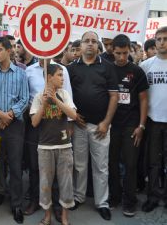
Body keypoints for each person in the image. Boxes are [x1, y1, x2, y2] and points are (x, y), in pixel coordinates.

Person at [67, 31, 118, 221]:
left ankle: (102, 203)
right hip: (79, 125)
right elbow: (66, 97)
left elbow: (114, 96)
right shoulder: (71, 69)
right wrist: (72, 119)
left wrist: (106, 122)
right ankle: (78, 196)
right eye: (86, 41)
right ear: (80, 45)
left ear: (98, 46)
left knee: (101, 167)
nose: (90, 44)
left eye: (93, 41)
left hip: (100, 127)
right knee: (79, 165)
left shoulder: (108, 67)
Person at [0, 36, 29, 224]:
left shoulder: (20, 74)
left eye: (0, 49)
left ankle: (17, 205)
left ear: (9, 51)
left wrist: (8, 116)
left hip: (14, 125)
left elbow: (24, 99)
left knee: (15, 165)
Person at [24, 59, 72, 220]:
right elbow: (35, 122)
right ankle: (47, 216)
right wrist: (44, 103)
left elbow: (73, 115)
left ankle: (64, 216)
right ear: (49, 77)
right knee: (45, 184)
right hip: (45, 147)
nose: (62, 78)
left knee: (65, 182)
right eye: (59, 75)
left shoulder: (64, 94)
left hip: (64, 146)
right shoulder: (39, 97)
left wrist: (56, 100)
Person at [108, 34, 148, 217]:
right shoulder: (107, 70)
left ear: (130, 51)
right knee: (112, 163)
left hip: (132, 125)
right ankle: (115, 197)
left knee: (130, 164)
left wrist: (141, 126)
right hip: (112, 125)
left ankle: (130, 201)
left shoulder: (137, 71)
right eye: (118, 53)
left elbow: (143, 99)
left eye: (125, 53)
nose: (122, 57)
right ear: (112, 51)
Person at [140, 26, 167, 212]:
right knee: (153, 163)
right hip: (153, 121)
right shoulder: (146, 65)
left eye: (165, 38)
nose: (162, 42)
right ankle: (153, 197)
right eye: (158, 39)